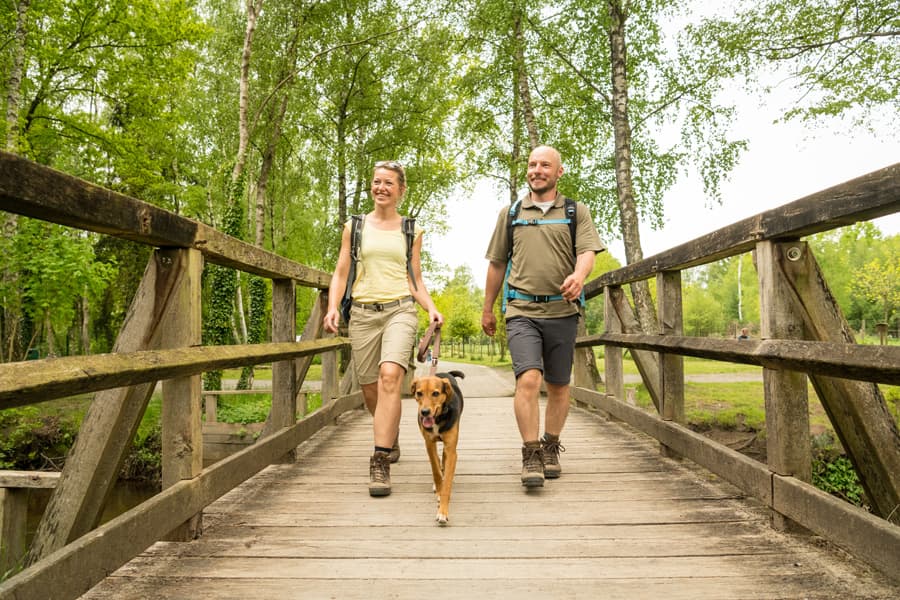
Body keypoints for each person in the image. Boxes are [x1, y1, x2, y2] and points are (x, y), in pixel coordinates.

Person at [481, 145, 605, 488]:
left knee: (559, 385)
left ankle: (551, 445)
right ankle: (531, 453)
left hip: (562, 311)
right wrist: (488, 307)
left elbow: (587, 253)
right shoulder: (512, 213)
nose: (537, 170)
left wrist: (579, 277)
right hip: (521, 310)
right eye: (533, 164)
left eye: (545, 165)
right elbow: (496, 263)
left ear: (559, 172)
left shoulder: (574, 211)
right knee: (529, 380)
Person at [324, 160, 443, 497]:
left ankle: (380, 460)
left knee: (390, 376)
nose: (381, 188)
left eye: (389, 183)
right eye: (377, 182)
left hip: (400, 310)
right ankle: (389, 434)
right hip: (362, 313)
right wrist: (333, 307)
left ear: (401, 190)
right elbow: (340, 272)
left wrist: (431, 308)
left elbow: (415, 278)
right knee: (370, 390)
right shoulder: (355, 226)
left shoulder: (410, 230)